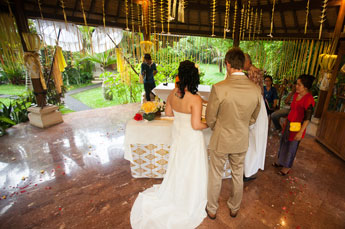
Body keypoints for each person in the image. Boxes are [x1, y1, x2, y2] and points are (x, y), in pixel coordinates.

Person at [130, 60, 209, 228]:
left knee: (178, 165)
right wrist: (209, 123)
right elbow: (196, 125)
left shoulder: (174, 92)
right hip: (192, 138)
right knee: (191, 167)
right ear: (194, 77)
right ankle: (190, 196)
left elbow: (168, 112)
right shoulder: (196, 99)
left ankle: (177, 193)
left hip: (178, 136)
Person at [205, 48, 261, 219]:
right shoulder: (256, 90)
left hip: (221, 138)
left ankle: (212, 209)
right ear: (243, 64)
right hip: (241, 139)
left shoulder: (219, 88)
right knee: (237, 174)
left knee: (215, 174)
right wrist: (242, 126)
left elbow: (210, 118)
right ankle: (234, 207)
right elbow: (253, 118)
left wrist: (219, 127)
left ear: (227, 64)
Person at [273, 75, 315, 175]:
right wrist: (286, 121)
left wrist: (300, 132)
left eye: (299, 85)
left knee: (291, 146)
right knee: (284, 142)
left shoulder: (309, 99)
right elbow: (292, 109)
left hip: (297, 126)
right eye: (297, 84)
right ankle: (281, 161)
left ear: (306, 87)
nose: (296, 86)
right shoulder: (296, 94)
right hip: (289, 123)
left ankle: (286, 166)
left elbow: (307, 118)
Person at [242, 53, 268, 181]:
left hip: (256, 106)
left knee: (253, 140)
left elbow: (253, 92)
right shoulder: (250, 71)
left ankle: (250, 170)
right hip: (256, 104)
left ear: (248, 61)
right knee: (254, 140)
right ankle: (249, 170)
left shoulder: (253, 72)